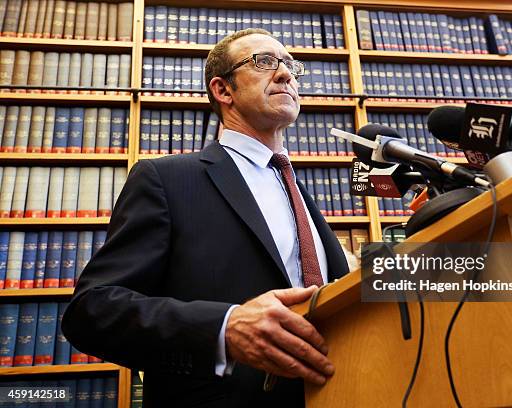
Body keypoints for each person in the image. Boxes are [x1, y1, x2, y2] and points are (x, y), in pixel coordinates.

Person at [61, 28, 350, 407]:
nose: (285, 75)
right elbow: (92, 310)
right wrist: (224, 328)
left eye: (290, 66)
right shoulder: (166, 179)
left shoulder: (299, 191)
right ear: (223, 90)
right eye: (264, 62)